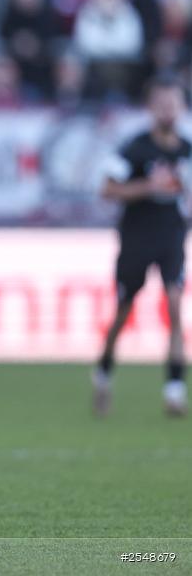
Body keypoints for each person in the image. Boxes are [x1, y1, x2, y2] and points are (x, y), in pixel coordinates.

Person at [93, 75, 191, 417]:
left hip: (172, 235)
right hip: (136, 237)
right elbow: (107, 189)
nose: (168, 110)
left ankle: (174, 390)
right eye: (162, 103)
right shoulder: (134, 148)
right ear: (152, 107)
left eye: (173, 103)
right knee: (123, 313)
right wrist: (150, 186)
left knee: (176, 305)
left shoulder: (186, 150)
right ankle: (103, 371)